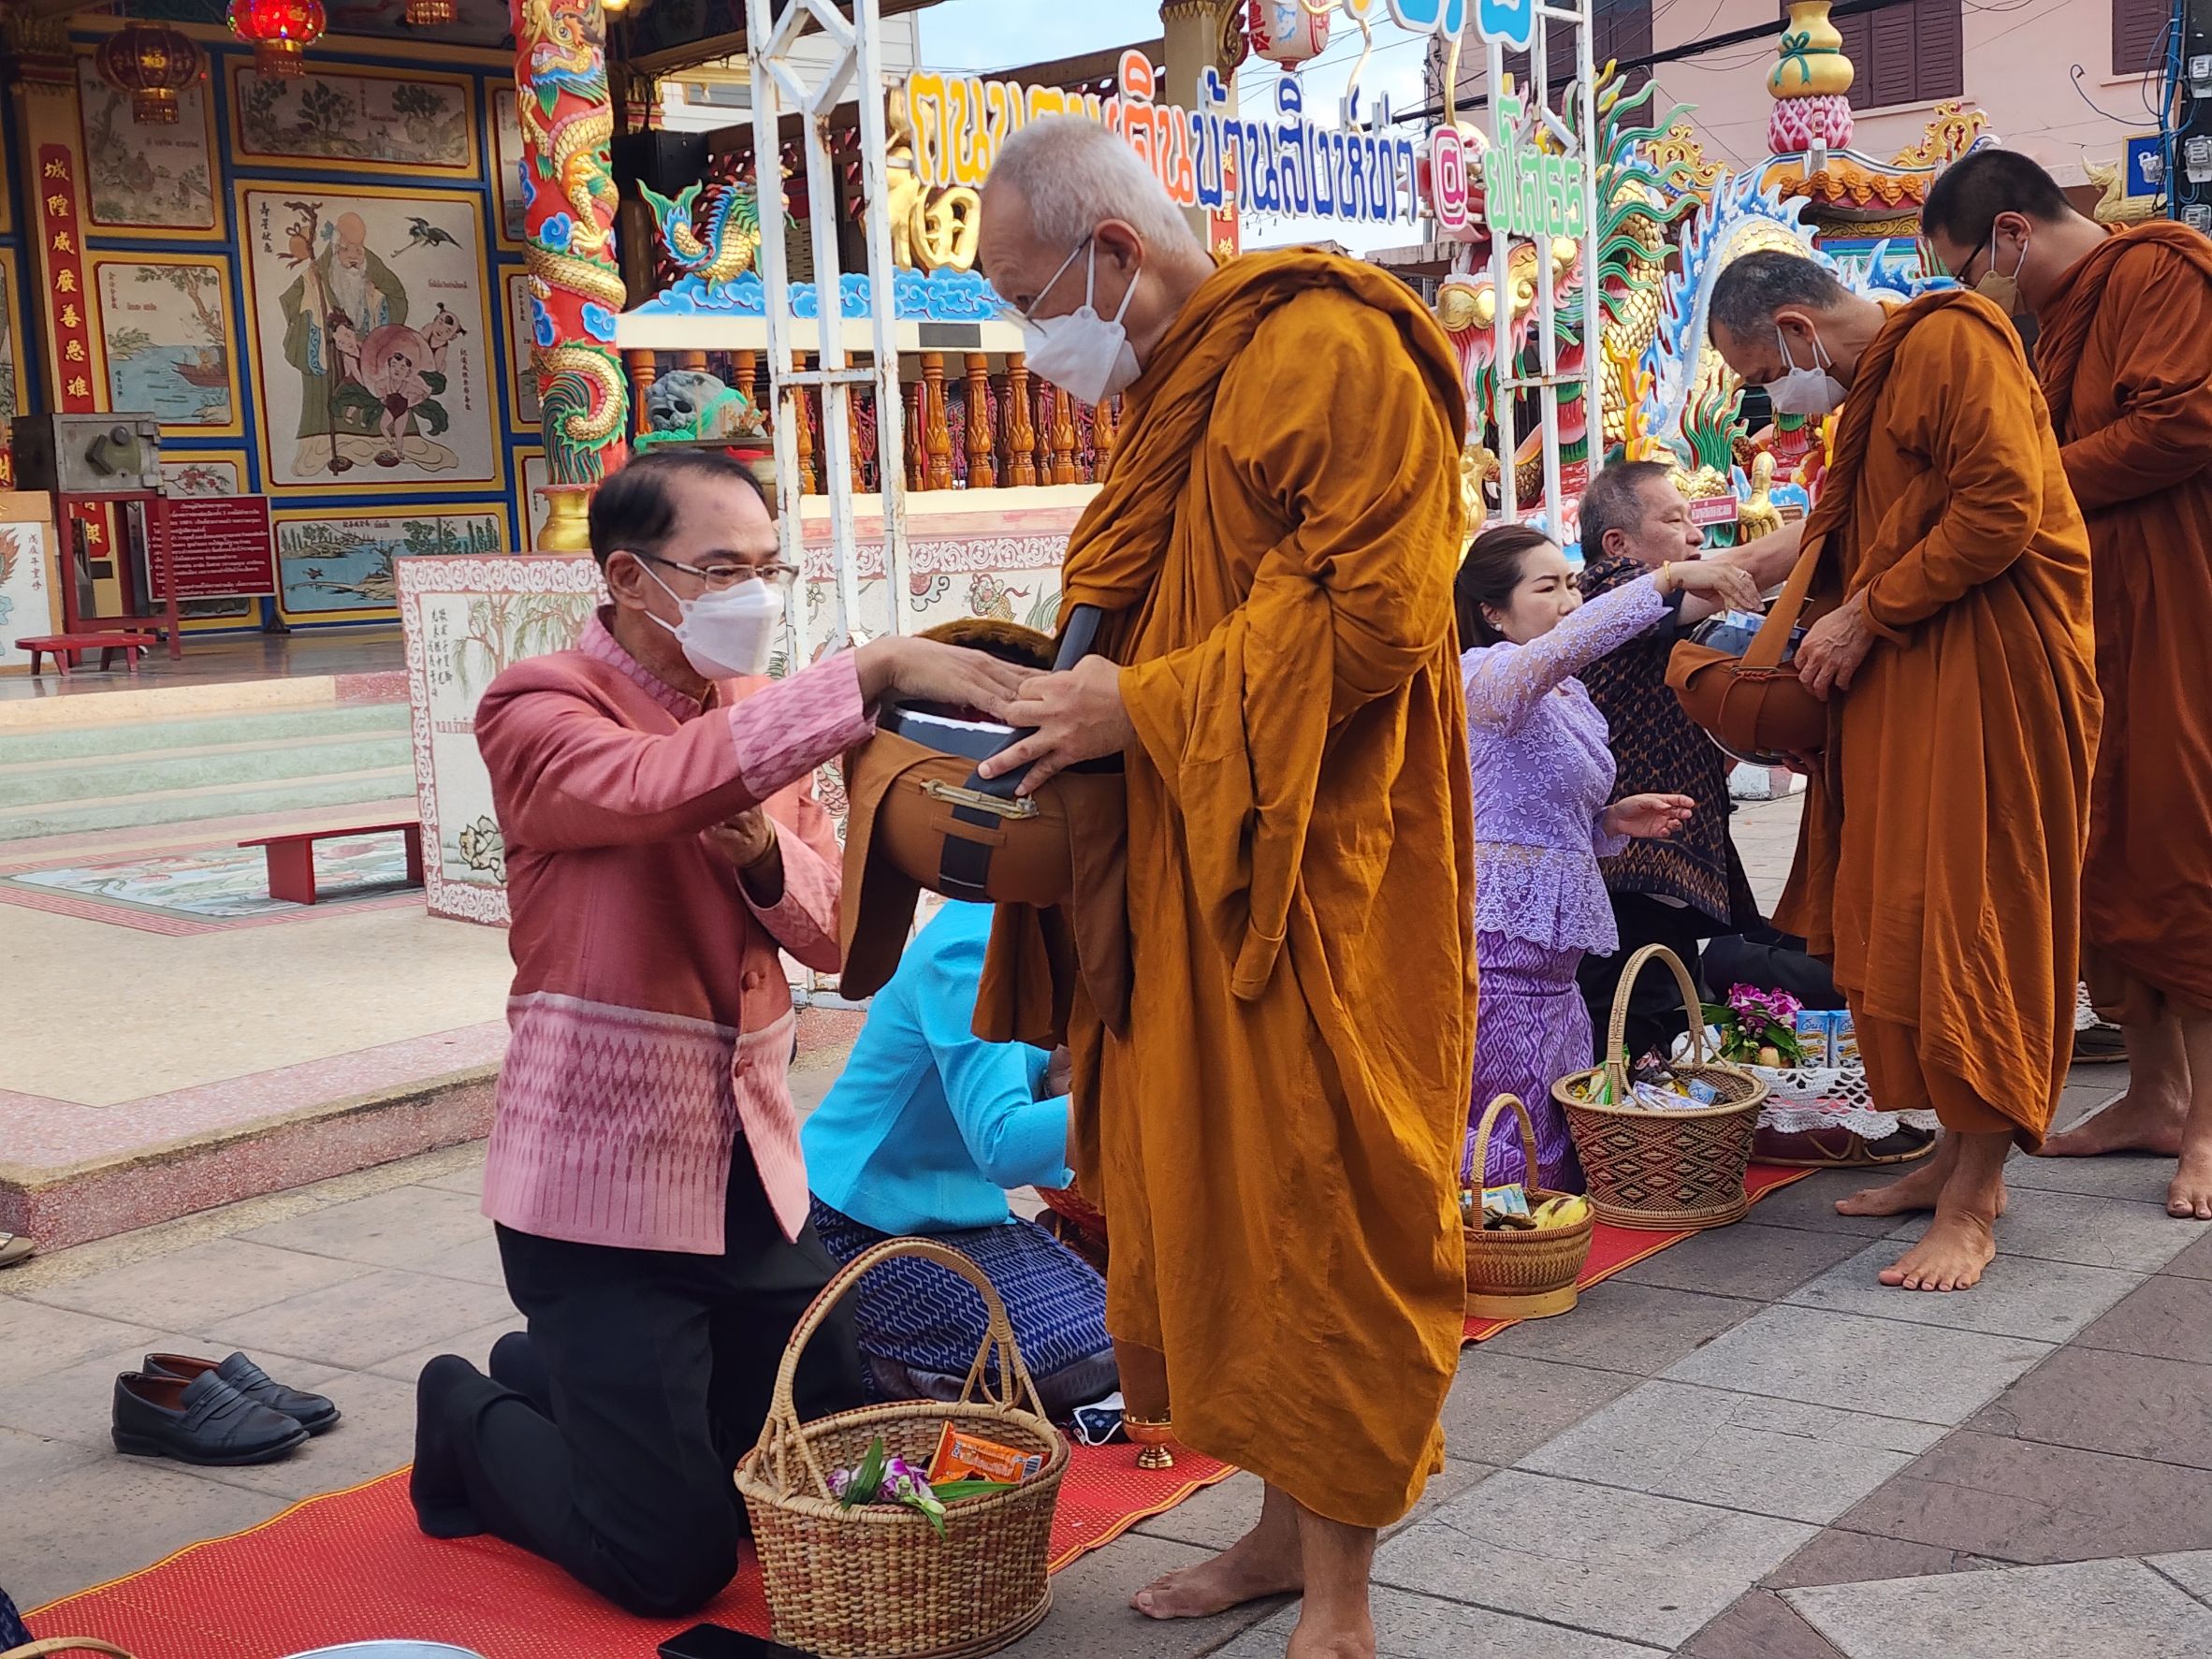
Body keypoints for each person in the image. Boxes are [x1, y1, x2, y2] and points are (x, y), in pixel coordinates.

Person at [970, 116, 1477, 1659]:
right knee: (1227, 1212)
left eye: (1022, 296)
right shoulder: (1167, 391)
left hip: (1315, 869)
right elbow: (1146, 604)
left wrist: (1140, 708)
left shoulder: (1321, 348)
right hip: (1196, 848)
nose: (1023, 337)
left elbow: (1375, 614)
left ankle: (1339, 1598)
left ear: (1111, 254)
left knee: (1315, 1208)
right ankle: (1272, 1529)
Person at [408, 448, 1026, 1616]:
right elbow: (651, 787)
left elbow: (836, 935)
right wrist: (870, 670)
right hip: (601, 1198)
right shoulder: (537, 706)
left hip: (747, 1173)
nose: (756, 595)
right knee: (672, 1563)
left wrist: (762, 854)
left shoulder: (756, 715)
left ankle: (557, 1378)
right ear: (632, 578)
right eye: (725, 569)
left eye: (769, 567)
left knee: (850, 1475)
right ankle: (468, 1413)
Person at [1706, 252, 2100, 1291]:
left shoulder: (1949, 343)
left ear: (1796, 328)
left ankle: (1976, 1202)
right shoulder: (1883, 382)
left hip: (1990, 686)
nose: (1769, 399)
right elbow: (1891, 521)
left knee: (1969, 916)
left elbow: (1999, 508)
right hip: (1921, 686)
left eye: (1760, 376)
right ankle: (1949, 1162)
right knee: (1911, 916)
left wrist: (1868, 611)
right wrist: (1778, 565)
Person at [1922, 151, 2212, 1220]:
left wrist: (2027, 489)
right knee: (2107, 852)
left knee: (2181, 847)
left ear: (2011, 234)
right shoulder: (2047, 324)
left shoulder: (2159, 273)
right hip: (2093, 623)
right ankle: (2153, 1094)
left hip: (2181, 613)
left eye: (1967, 271)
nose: (1972, 296)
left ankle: (2209, 1135)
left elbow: (2181, 424)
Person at [1454, 523, 1757, 1189]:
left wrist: (1611, 819)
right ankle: (1492, 1238)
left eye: (1570, 583)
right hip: (1500, 942)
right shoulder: (1482, 675)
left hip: (1555, 959)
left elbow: (1528, 811)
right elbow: (1566, 646)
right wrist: (1668, 579)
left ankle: (1544, 1240)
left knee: (1553, 1102)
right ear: (1491, 611)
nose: (1567, 600)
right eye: (1547, 586)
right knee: (1503, 1114)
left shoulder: (1569, 695)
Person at [804, 899, 1114, 1418]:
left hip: (963, 1213)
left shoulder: (1036, 936)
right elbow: (1004, 1144)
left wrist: (1059, 1084)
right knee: (1050, 1363)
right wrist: (1135, 1099)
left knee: (1113, 1340)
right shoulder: (970, 950)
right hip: (863, 1222)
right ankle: (863, 1362)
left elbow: (1024, 1091)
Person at [1573, 460, 1763, 1060]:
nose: (1696, 536)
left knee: (1666, 1023)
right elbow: (1735, 574)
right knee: (1631, 1032)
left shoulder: (1650, 605)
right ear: (1617, 544)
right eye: (1674, 519)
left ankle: (1649, 1143)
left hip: (1661, 861)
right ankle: (1626, 1147)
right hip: (1632, 867)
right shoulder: (1610, 588)